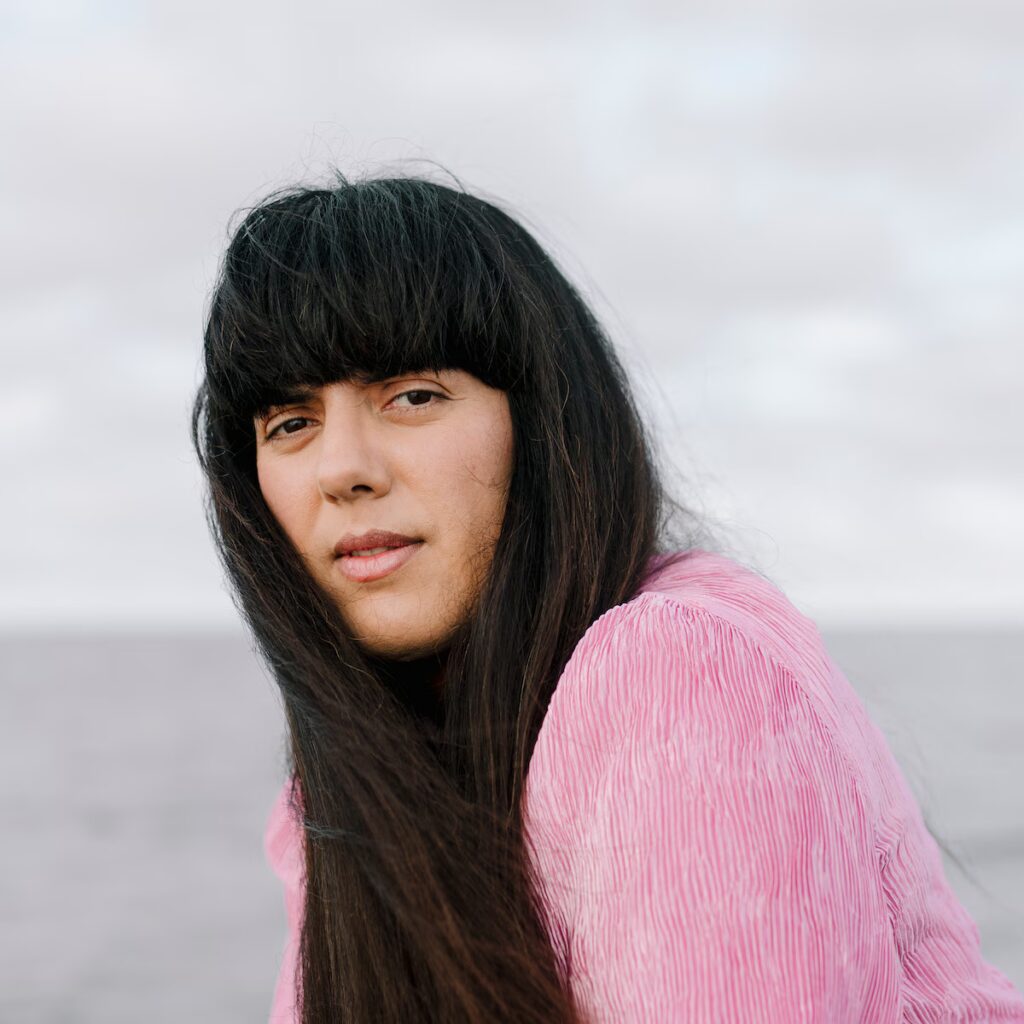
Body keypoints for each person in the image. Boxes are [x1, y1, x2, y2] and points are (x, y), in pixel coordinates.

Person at [191, 172, 1024, 1023]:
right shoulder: (340, 789)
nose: (341, 469)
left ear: (540, 422)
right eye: (290, 424)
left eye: (413, 397)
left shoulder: (674, 674)